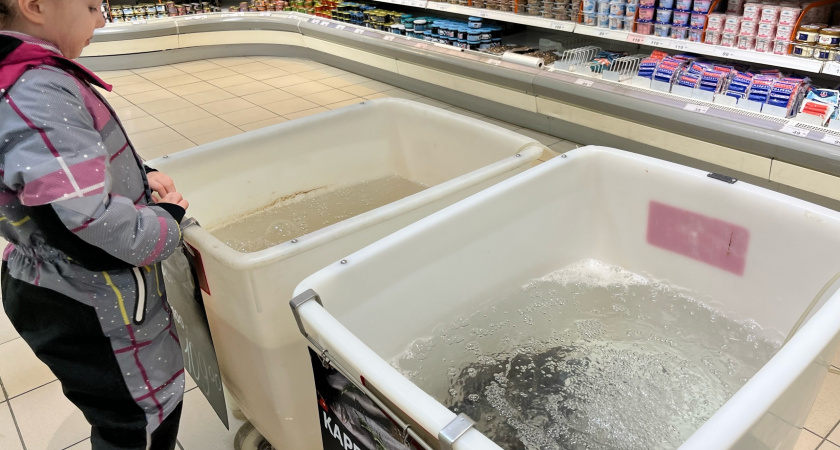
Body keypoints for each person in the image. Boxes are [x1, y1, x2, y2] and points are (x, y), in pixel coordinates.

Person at [0, 0, 190, 448]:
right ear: (34, 6)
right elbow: (92, 233)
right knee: (140, 417)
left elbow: (54, 175)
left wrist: (138, 175)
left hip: (54, 285)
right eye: (90, 5)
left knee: (121, 411)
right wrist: (168, 222)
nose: (102, 19)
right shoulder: (35, 90)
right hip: (93, 302)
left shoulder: (20, 76)